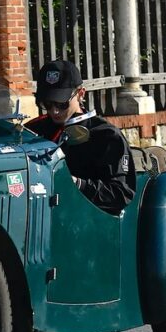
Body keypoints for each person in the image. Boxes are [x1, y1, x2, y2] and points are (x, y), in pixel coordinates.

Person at [26, 58, 135, 215]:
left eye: (62, 104)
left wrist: (78, 184)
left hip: (87, 219)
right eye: (47, 104)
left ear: (80, 94)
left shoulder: (106, 136)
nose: (54, 111)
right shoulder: (34, 130)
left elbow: (121, 194)